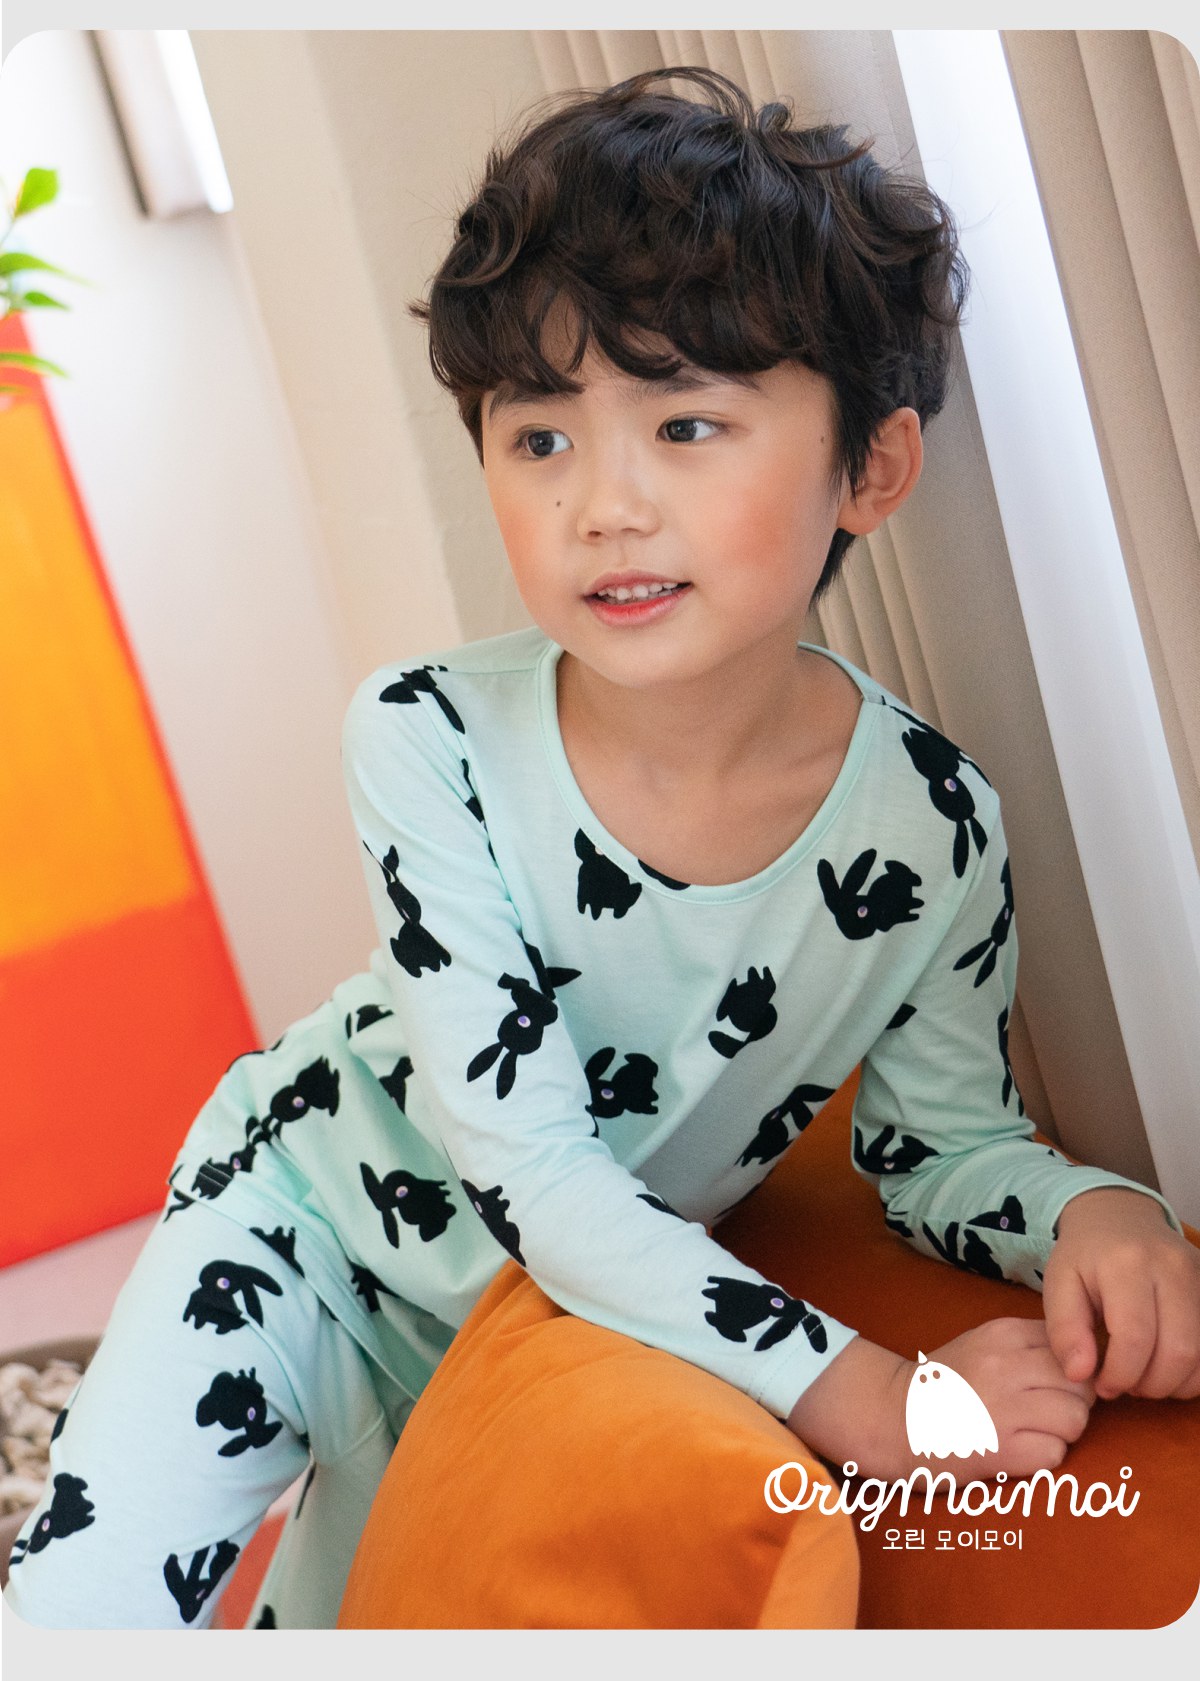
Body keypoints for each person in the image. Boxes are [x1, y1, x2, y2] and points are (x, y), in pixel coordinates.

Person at [6, 65, 1199, 1632]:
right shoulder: (426, 736)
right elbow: (539, 1165)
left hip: (529, 1344)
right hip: (296, 1232)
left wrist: (1088, 1211)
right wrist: (864, 1391)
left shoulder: (932, 829)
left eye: (685, 424)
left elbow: (940, 1150)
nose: (604, 505)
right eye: (539, 437)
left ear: (873, 468)